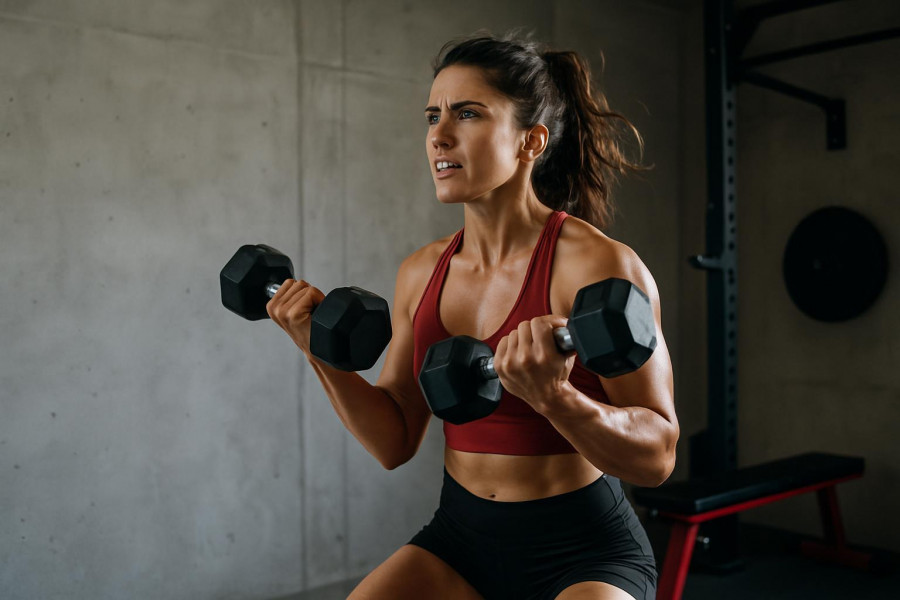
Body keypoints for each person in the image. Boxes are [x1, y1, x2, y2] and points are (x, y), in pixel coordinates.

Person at [267, 32, 678, 600]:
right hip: (461, 540)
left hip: (584, 549)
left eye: (467, 113)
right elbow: (394, 441)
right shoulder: (421, 273)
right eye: (432, 116)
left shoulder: (598, 265)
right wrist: (317, 349)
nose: (439, 134)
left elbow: (658, 456)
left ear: (531, 141)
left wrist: (556, 398)